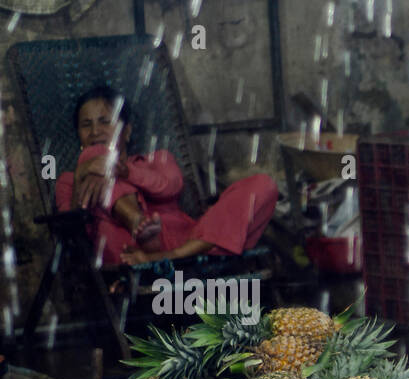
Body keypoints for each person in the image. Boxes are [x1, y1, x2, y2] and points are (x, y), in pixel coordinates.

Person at [55, 85, 279, 267]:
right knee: (95, 154)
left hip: (191, 241)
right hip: (129, 253)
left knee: (263, 185)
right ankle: (139, 225)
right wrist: (83, 174)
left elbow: (170, 186)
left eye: (105, 121)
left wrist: (124, 171)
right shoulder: (68, 180)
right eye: (86, 125)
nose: (95, 131)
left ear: (128, 130)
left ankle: (170, 254)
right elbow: (69, 229)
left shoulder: (157, 159)